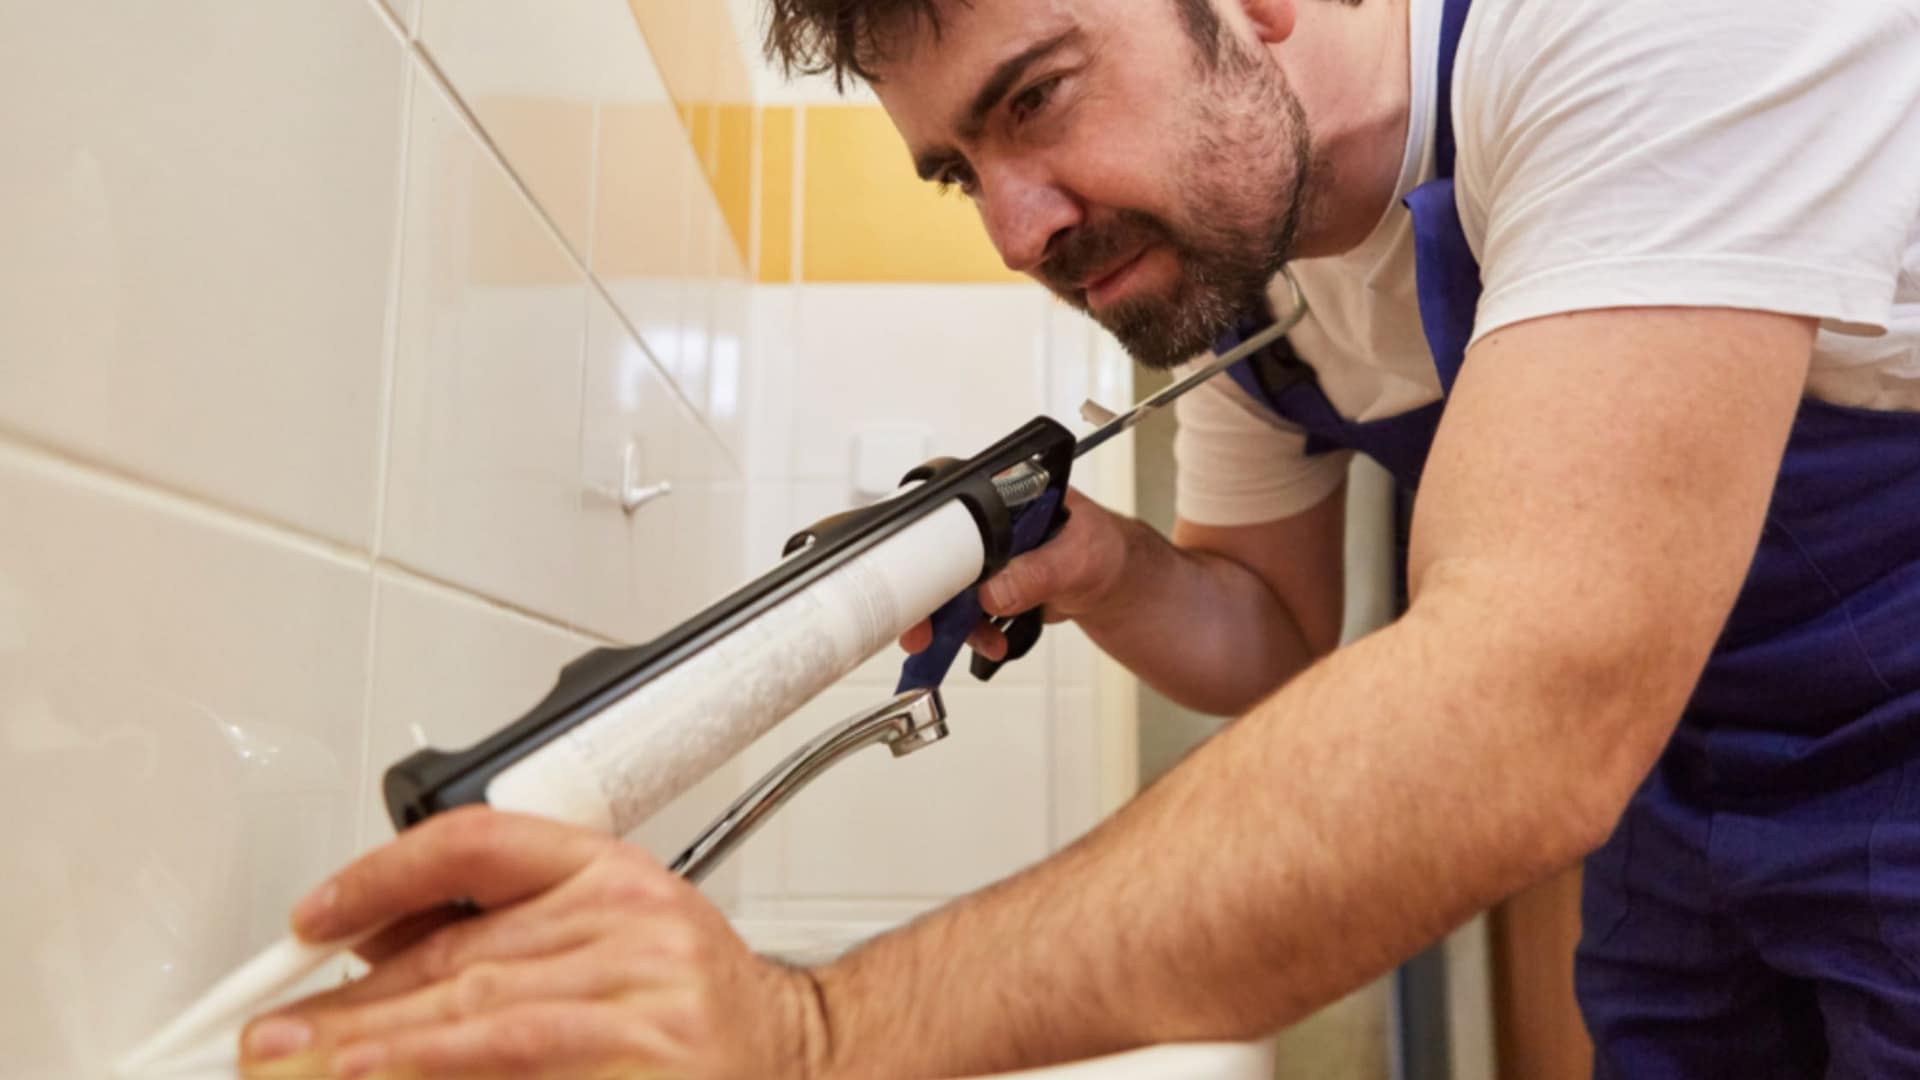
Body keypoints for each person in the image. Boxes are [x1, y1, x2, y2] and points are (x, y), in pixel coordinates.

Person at [238, 0, 1920, 1076]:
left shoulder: (1647, 32)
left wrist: (816, 1032)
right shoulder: (1243, 280)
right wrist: (1107, 570)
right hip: (1679, 823)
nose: (1023, 230)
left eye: (1034, 98)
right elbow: (1275, 634)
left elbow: (1529, 698)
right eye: (961, 174)